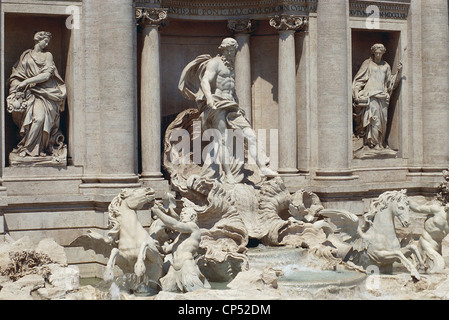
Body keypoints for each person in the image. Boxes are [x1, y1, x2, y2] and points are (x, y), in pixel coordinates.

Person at [178, 37, 277, 184]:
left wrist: (237, 104)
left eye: (234, 49)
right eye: (230, 49)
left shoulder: (230, 65)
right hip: (217, 104)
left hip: (232, 106)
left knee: (250, 135)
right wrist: (209, 98)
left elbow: (231, 88)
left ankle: (262, 167)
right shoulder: (215, 63)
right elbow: (205, 80)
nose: (233, 52)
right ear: (223, 49)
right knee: (222, 140)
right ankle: (228, 175)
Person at [7, 31, 66, 159]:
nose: (47, 44)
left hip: (46, 93)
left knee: (39, 119)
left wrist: (26, 81)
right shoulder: (26, 55)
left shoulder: (48, 55)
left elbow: (46, 75)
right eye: (45, 41)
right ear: (38, 40)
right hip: (29, 93)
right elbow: (17, 74)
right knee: (32, 120)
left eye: (48, 42)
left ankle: (30, 149)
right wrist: (17, 86)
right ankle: (30, 149)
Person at [151, 204, 211, 292]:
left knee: (195, 293)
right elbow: (166, 250)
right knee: (165, 290)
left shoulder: (193, 227)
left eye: (185, 213)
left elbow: (175, 225)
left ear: (192, 216)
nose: (181, 215)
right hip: (173, 267)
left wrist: (156, 211)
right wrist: (157, 245)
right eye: (181, 213)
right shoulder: (180, 236)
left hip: (186, 265)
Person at [353, 43, 402, 150]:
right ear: (373, 52)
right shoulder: (367, 64)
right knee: (374, 121)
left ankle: (381, 142)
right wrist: (356, 94)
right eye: (376, 53)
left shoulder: (386, 66)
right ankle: (373, 144)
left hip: (383, 97)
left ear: (383, 52)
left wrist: (399, 72)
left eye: (380, 53)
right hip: (371, 96)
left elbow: (390, 83)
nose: (378, 54)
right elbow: (359, 80)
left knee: (383, 120)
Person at [409, 199, 449, 273]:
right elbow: (418, 208)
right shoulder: (437, 210)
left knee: (430, 269)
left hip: (438, 247)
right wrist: (406, 200)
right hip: (426, 243)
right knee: (439, 267)